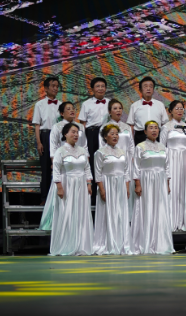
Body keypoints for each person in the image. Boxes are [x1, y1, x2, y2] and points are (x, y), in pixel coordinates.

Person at [40, 102, 87, 231]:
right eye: (68, 109)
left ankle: (76, 222)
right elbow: (53, 146)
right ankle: (60, 220)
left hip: (77, 162)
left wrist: (84, 161)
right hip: (64, 163)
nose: (72, 111)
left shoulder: (80, 127)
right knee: (62, 191)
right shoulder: (57, 127)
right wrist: (54, 162)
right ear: (62, 113)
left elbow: (84, 146)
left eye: (73, 109)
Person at [48, 123, 93, 256]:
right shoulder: (60, 151)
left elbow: (87, 167)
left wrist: (89, 183)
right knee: (67, 212)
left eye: (77, 132)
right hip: (67, 184)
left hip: (81, 185)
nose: (75, 134)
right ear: (65, 134)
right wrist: (59, 187)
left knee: (81, 213)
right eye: (73, 132)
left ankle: (81, 244)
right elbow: (56, 170)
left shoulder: (82, 150)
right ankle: (66, 244)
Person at [131, 121, 175, 254]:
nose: (154, 130)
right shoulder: (140, 147)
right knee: (147, 208)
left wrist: (167, 184)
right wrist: (138, 184)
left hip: (160, 180)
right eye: (151, 128)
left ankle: (161, 242)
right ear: (145, 131)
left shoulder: (163, 147)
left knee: (160, 209)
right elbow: (136, 166)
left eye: (156, 128)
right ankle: (145, 242)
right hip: (146, 180)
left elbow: (167, 167)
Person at [92, 123, 131, 255]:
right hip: (107, 183)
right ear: (105, 136)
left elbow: (126, 171)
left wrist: (127, 187)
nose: (115, 136)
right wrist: (102, 189)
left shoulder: (122, 152)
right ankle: (106, 242)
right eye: (112, 134)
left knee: (120, 212)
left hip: (120, 184)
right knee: (107, 212)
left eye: (116, 134)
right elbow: (98, 173)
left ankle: (122, 243)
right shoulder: (100, 152)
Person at [160, 100, 186, 233]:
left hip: (185, 159)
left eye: (181, 108)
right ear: (170, 111)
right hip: (172, 159)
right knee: (173, 187)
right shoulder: (166, 127)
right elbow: (162, 146)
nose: (180, 111)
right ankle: (172, 219)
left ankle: (185, 219)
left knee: (184, 187)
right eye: (177, 108)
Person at [100, 99, 135, 221]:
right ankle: (113, 218)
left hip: (126, 162)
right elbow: (101, 147)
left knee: (127, 189)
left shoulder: (127, 127)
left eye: (120, 108)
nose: (118, 110)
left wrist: (131, 160)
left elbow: (131, 146)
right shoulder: (104, 127)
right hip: (111, 163)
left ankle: (127, 218)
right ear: (109, 111)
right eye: (115, 108)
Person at [79, 77, 110, 204]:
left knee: (106, 161)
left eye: (103, 86)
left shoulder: (110, 102)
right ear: (92, 89)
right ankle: (92, 196)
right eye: (98, 86)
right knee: (92, 162)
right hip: (91, 134)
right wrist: (83, 141)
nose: (100, 88)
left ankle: (107, 192)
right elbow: (82, 124)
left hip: (106, 134)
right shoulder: (86, 104)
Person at [33, 76, 60, 202]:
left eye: (57, 86)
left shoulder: (61, 105)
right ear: (46, 88)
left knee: (58, 168)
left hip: (58, 136)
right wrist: (39, 142)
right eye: (53, 86)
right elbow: (37, 125)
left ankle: (57, 197)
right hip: (45, 135)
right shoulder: (39, 104)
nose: (55, 88)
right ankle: (44, 198)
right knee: (45, 169)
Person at [127, 77, 168, 145]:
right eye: (145, 86)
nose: (148, 88)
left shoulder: (160, 105)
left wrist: (163, 142)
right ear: (140, 90)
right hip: (140, 137)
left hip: (157, 137)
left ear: (153, 89)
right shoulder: (134, 106)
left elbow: (164, 125)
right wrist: (131, 144)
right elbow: (131, 126)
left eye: (151, 86)